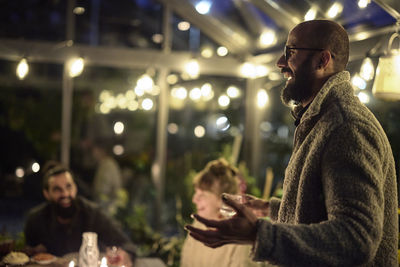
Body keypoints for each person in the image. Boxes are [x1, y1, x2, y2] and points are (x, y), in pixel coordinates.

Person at [186, 19, 398, 266]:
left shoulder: (346, 126)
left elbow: (356, 238)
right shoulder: (321, 120)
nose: (280, 63)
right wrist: (270, 209)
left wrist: (259, 235)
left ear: (323, 60)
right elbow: (320, 210)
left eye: (291, 52)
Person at [24, 161, 136, 266]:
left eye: (69, 187)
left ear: (75, 187)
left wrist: (125, 255)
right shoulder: (35, 220)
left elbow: (127, 245)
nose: (65, 194)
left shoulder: (93, 214)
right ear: (46, 193)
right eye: (57, 189)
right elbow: (27, 256)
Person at [181, 158, 261, 267]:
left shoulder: (240, 235)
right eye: (196, 193)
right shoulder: (198, 225)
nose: (194, 199)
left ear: (222, 200)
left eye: (202, 195)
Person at [91, 141, 125, 216]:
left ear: (100, 150)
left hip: (107, 209)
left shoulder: (107, 165)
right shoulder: (105, 164)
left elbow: (103, 190)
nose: (92, 153)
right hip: (105, 208)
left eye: (94, 150)